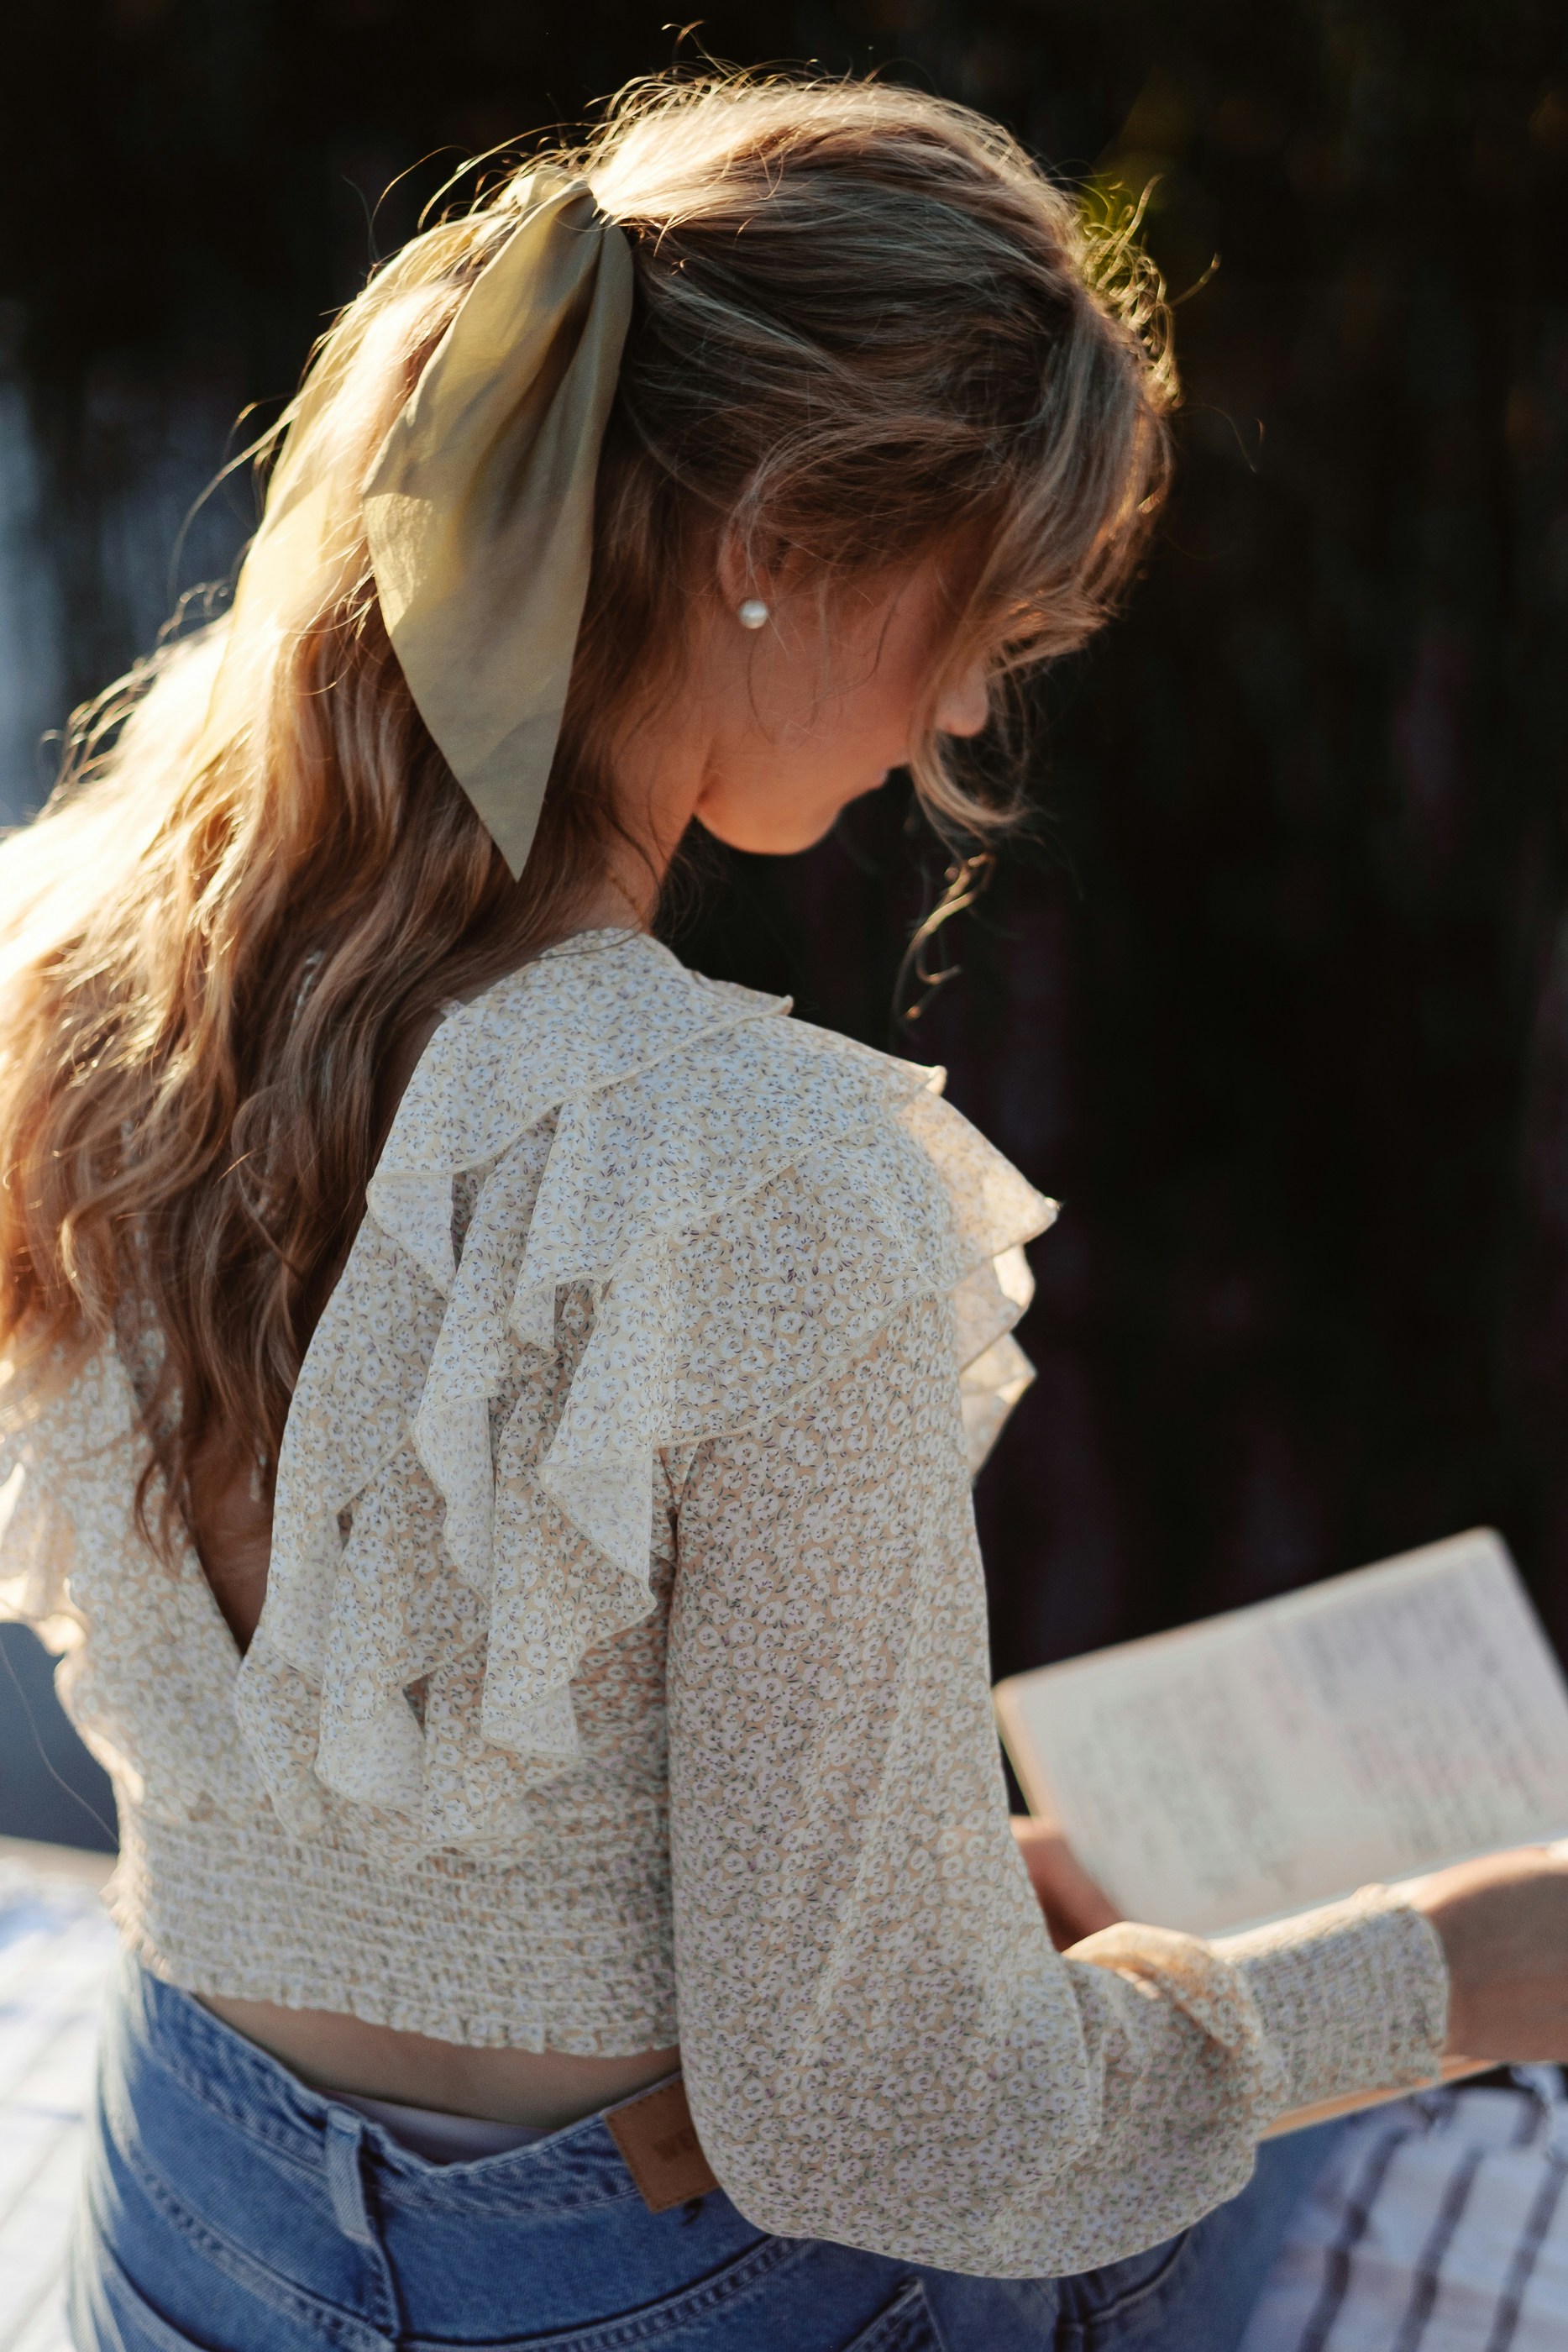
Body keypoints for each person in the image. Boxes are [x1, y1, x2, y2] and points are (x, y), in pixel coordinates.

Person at [1, 71, 1564, 2352]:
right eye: (987, 624)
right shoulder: (757, 1169)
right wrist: (1462, 1966)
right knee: (1329, 2106)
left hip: (184, 2226)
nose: (955, 719)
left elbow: (437, 1838)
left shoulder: (76, 994)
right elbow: (884, 2126)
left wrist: (924, 1918)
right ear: (789, 536)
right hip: (630, 2284)